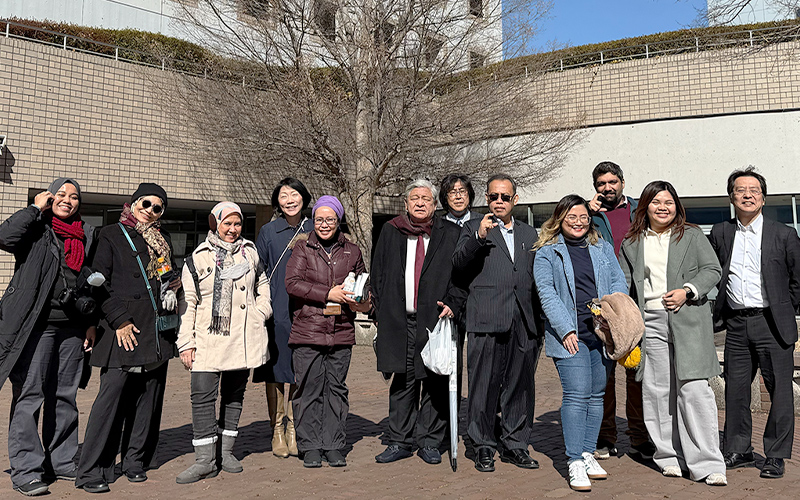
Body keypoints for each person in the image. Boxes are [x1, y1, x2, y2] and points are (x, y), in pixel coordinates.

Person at [76, 183, 181, 493]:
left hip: (156, 329)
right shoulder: (110, 234)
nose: (150, 210)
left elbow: (166, 274)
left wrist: (173, 285)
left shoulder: (161, 240)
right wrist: (119, 320)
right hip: (124, 329)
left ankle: (135, 460)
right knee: (111, 400)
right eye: (146, 203)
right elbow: (99, 283)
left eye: (158, 207)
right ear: (134, 203)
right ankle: (93, 467)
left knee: (148, 399)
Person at [619, 181, 727, 486]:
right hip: (649, 322)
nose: (662, 207)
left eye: (668, 202)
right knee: (657, 392)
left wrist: (687, 292)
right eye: (655, 202)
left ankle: (707, 463)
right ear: (645, 207)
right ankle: (669, 456)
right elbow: (625, 286)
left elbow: (712, 270)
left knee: (694, 390)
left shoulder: (691, 235)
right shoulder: (632, 242)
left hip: (687, 318)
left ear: (676, 206)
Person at [0, 179, 96, 496]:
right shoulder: (36, 228)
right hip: (36, 326)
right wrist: (33, 208)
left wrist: (90, 324)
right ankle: (26, 469)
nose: (68, 200)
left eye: (75, 197)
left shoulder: (86, 234)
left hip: (72, 327)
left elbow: (90, 283)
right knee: (30, 397)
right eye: (62, 194)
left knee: (65, 396)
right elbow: (4, 236)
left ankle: (63, 460)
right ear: (51, 197)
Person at [710, 167, 800, 479]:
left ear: (762, 197)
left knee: (780, 393)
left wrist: (784, 310)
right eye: (740, 190)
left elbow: (797, 282)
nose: (748, 195)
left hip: (772, 325)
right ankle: (739, 450)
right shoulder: (721, 233)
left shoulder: (784, 234)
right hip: (736, 324)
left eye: (754, 190)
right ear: (731, 196)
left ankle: (775, 455)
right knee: (735, 390)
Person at [533, 194, 628, 491]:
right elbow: (546, 293)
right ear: (560, 219)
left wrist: (611, 315)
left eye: (583, 217)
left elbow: (617, 281)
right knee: (576, 394)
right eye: (572, 217)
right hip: (569, 334)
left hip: (600, 331)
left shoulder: (600, 247)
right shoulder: (547, 252)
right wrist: (564, 329)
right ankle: (574, 460)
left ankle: (588, 453)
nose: (578, 222)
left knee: (597, 395)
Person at [175, 202, 272, 484]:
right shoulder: (198, 258)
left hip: (242, 337)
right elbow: (188, 303)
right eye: (226, 223)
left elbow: (263, 284)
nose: (232, 229)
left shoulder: (250, 253)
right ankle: (205, 460)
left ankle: (226, 452)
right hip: (208, 338)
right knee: (202, 398)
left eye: (237, 224)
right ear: (214, 223)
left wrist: (261, 311)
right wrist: (186, 343)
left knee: (234, 396)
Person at [372, 180, 467, 465]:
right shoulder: (391, 230)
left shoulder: (450, 233)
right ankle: (399, 440)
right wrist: (379, 311)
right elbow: (378, 272)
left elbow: (461, 277)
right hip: (400, 320)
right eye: (415, 198)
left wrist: (453, 302)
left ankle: (430, 441)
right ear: (406, 203)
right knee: (403, 381)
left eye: (426, 198)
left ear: (435, 204)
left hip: (435, 321)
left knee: (436, 380)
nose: (420, 203)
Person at [452, 173, 541, 473]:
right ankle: (483, 446)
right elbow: (459, 264)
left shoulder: (531, 234)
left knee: (520, 387)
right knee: (484, 387)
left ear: (515, 200)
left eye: (505, 197)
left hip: (523, 320)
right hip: (487, 318)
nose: (499, 201)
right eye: (493, 196)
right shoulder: (472, 228)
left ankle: (515, 444)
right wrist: (478, 237)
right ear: (486, 199)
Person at [284, 195, 370, 468]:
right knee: (308, 389)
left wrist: (363, 299)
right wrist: (327, 293)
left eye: (330, 219)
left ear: (338, 220)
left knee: (336, 389)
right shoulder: (302, 248)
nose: (324, 224)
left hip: (342, 330)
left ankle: (333, 444)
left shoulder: (352, 251)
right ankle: (309, 446)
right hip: (308, 330)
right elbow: (292, 283)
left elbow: (363, 283)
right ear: (313, 220)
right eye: (319, 219)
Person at [587, 161, 651, 461]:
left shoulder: (641, 209)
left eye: (612, 182)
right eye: (601, 183)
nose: (607, 188)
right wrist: (587, 213)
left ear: (623, 183)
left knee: (637, 370)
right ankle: (605, 437)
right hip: (605, 300)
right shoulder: (588, 214)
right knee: (605, 373)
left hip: (637, 298)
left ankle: (640, 437)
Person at [253, 178, 313, 458]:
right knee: (276, 370)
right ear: (277, 201)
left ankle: (295, 428)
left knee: (302, 369)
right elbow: (259, 270)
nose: (289, 200)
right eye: (283, 196)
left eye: (294, 194)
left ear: (304, 197)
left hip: (307, 311)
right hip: (276, 309)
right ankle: (277, 427)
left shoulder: (315, 227)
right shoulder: (268, 230)